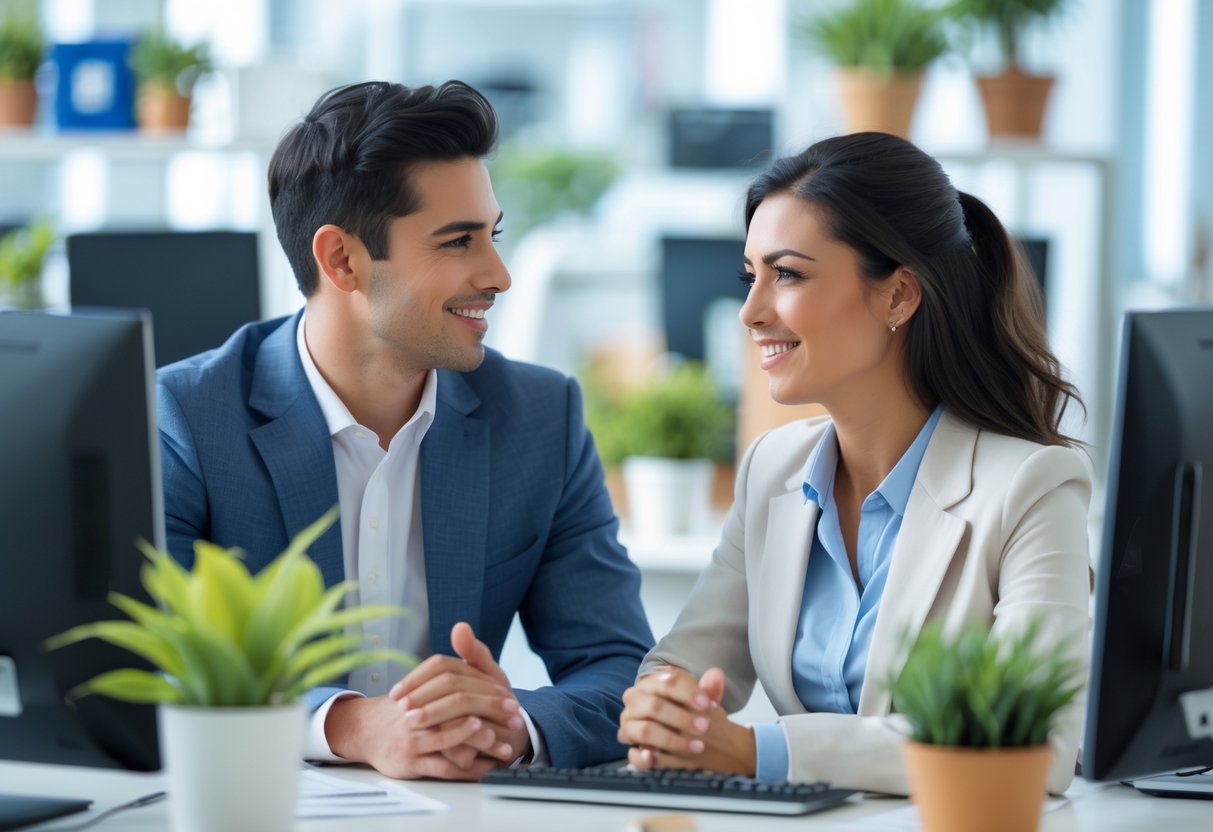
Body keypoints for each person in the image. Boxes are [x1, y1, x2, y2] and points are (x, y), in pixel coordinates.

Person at [156, 80, 653, 780]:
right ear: (343, 261)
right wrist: (354, 724)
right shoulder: (189, 415)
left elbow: (620, 667)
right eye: (458, 242)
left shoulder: (539, 418)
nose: (498, 274)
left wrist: (511, 723)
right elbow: (148, 663)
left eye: (493, 235)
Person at [616, 132, 1091, 795]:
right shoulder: (772, 469)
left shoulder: (1029, 489)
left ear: (897, 296)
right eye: (749, 277)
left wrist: (762, 752)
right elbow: (684, 665)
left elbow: (1033, 749)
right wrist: (661, 709)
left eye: (787, 274)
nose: (750, 313)